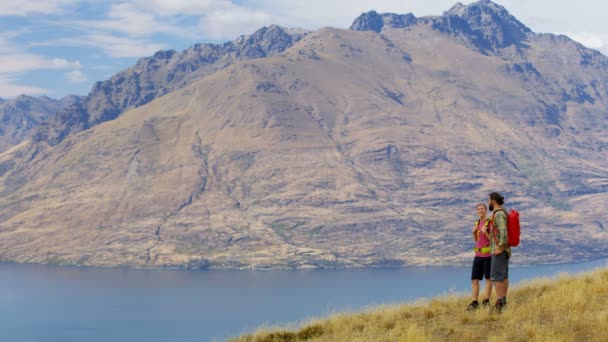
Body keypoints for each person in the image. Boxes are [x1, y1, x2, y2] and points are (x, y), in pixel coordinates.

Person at [467, 203, 493, 310]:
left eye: (482, 209)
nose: (480, 210)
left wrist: (485, 232)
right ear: (476, 211)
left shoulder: (490, 223)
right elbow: (478, 241)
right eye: (478, 209)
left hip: (488, 255)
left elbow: (493, 240)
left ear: (486, 210)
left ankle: (486, 301)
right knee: (474, 280)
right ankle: (474, 302)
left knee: (488, 279)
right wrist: (473, 233)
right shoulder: (477, 223)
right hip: (478, 255)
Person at [488, 192, 510, 313]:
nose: (488, 203)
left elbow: (503, 231)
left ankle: (500, 302)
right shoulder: (501, 213)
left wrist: (500, 247)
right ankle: (503, 301)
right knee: (503, 276)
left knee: (496, 277)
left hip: (499, 250)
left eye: (489, 200)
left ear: (493, 201)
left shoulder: (499, 214)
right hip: (503, 250)